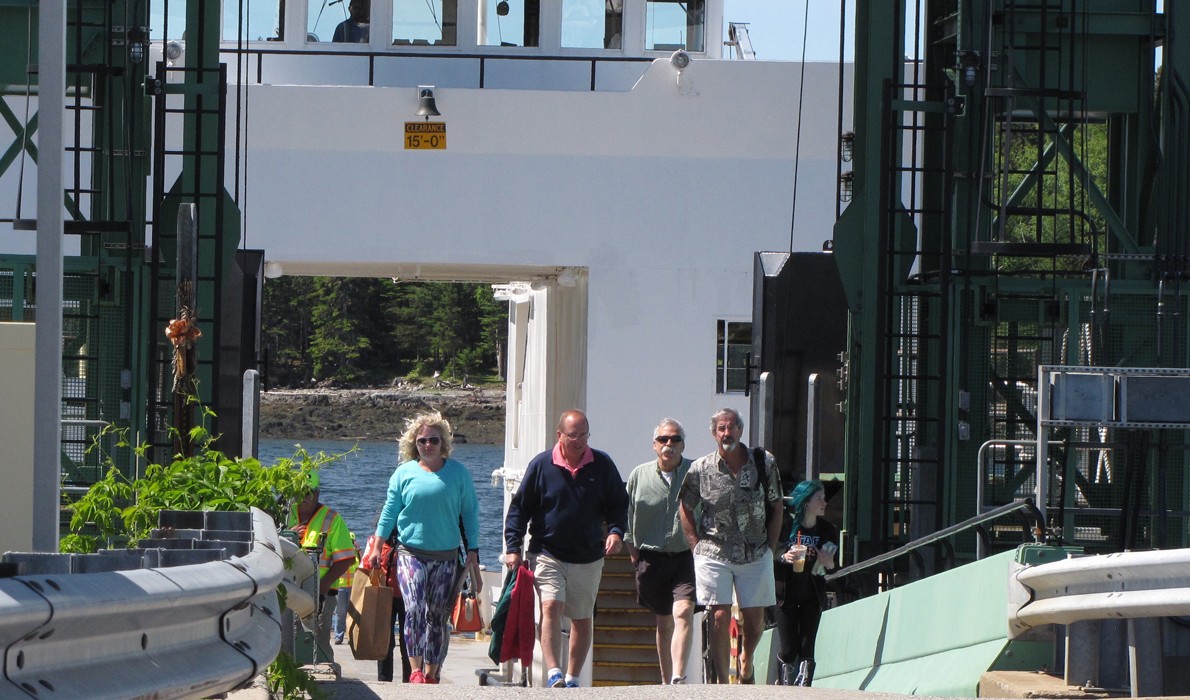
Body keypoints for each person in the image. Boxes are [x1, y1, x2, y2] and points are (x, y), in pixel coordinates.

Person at [504, 409, 629, 688]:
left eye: (584, 434)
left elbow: (619, 503)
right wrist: (513, 547)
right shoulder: (541, 465)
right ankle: (554, 673)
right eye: (574, 435)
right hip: (547, 551)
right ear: (559, 435)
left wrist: (616, 532)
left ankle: (572, 677)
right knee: (550, 606)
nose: (580, 441)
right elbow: (519, 510)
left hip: (588, 555)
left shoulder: (602, 464)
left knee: (582, 617)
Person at [364, 411, 479, 685]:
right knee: (414, 608)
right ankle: (415, 670)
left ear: (443, 444)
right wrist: (377, 548)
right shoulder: (403, 474)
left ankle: (431, 671)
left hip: (446, 557)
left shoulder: (458, 474)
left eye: (434, 440)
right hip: (410, 554)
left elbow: (470, 514)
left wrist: (473, 551)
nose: (428, 445)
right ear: (414, 444)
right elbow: (389, 513)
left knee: (437, 617)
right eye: (422, 441)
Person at [678, 408, 782, 684]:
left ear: (740, 430)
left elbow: (777, 504)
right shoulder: (701, 469)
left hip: (756, 551)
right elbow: (685, 507)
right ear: (714, 434)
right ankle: (724, 682)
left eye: (731, 428)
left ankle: (746, 659)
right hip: (714, 551)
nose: (727, 433)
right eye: (721, 429)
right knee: (719, 615)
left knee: (755, 619)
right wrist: (695, 546)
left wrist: (770, 547)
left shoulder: (763, 462)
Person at [624, 418, 696, 685]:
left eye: (675, 439)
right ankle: (667, 682)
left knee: (684, 611)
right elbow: (627, 516)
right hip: (650, 559)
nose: (669, 444)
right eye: (664, 439)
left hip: (685, 557)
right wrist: (633, 552)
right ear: (654, 445)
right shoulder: (638, 475)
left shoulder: (694, 472)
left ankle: (679, 675)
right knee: (664, 621)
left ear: (683, 444)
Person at [287, 471, 356, 664]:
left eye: (310, 492)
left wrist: (323, 586)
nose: (305, 496)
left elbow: (346, 558)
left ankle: (326, 676)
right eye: (300, 491)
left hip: (323, 594)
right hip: (289, 590)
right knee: (288, 638)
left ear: (318, 493)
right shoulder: (286, 516)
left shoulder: (332, 519)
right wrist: (289, 536)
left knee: (320, 639)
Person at [774, 479, 838, 687]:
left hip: (812, 594)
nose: (824, 502)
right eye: (819, 498)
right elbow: (769, 552)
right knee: (788, 649)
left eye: (824, 498)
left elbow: (833, 567)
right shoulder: (785, 526)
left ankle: (804, 691)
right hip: (785, 595)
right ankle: (783, 686)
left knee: (807, 646)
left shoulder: (828, 530)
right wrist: (785, 555)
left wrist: (829, 564)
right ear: (806, 503)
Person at [331, 532, 360, 644]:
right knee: (340, 612)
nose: (351, 544)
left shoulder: (357, 555)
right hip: (341, 586)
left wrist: (359, 550)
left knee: (353, 613)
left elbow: (364, 564)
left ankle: (352, 636)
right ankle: (339, 636)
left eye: (352, 542)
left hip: (353, 587)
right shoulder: (339, 554)